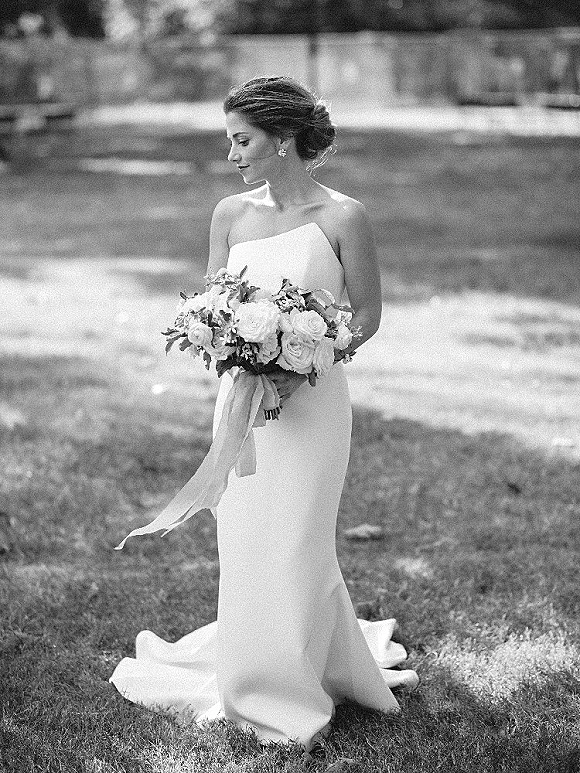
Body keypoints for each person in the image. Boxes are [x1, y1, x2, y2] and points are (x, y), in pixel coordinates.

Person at [110, 76, 418, 753]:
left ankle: (296, 680)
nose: (231, 155)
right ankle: (251, 673)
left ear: (282, 140)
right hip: (242, 404)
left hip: (314, 405)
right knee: (246, 539)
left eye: (241, 140)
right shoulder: (229, 214)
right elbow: (212, 304)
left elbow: (366, 315)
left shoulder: (344, 217)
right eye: (230, 140)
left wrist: (305, 357)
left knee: (299, 538)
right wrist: (226, 343)